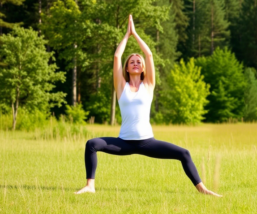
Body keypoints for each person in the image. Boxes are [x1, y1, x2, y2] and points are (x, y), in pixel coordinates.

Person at [75, 15, 222, 197]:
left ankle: (203, 190)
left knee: (184, 153)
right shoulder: (122, 87)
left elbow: (149, 54)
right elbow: (116, 56)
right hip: (124, 143)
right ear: (127, 69)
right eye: (132, 62)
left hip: (147, 142)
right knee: (92, 144)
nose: (135, 63)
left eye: (138, 62)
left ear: (143, 68)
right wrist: (126, 35)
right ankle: (90, 186)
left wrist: (135, 34)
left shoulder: (149, 85)